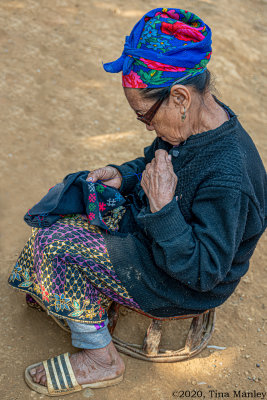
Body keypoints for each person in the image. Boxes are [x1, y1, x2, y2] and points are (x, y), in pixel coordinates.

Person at [8, 7, 266, 397]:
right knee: (76, 194)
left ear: (179, 96)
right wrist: (123, 174)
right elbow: (153, 159)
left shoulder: (228, 177)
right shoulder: (192, 120)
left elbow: (205, 272)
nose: (146, 126)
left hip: (184, 281)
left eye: (145, 115)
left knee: (55, 245)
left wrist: (163, 212)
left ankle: (100, 358)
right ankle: (75, 295)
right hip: (161, 238)